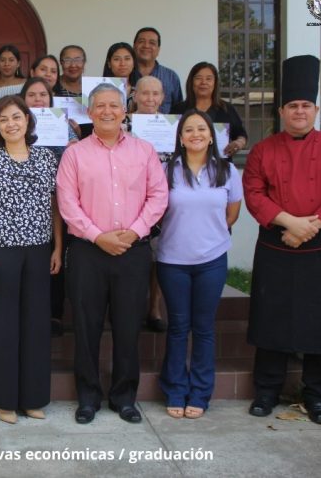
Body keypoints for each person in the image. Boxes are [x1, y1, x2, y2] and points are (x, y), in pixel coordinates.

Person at [243, 55, 321, 425]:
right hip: (277, 244)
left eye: (305, 106)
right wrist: (290, 223)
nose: (299, 111)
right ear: (281, 110)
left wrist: (311, 226)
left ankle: (318, 396)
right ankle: (266, 391)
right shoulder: (263, 150)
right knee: (271, 320)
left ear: (315, 109)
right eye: (292, 106)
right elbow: (254, 192)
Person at [56, 83, 168, 425]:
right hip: (88, 252)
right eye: (100, 106)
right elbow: (67, 202)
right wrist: (97, 236)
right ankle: (87, 398)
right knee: (87, 328)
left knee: (127, 327)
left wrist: (133, 233)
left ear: (124, 112)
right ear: (89, 113)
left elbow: (158, 196)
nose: (107, 111)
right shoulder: (74, 154)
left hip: (132, 252)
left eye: (113, 106)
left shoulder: (144, 151)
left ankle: (124, 397)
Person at [0, 96, 61, 424]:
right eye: (3, 119)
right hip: (0, 250)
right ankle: (3, 399)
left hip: (39, 250)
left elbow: (55, 207)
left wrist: (58, 248)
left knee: (35, 325)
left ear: (28, 121)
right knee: (1, 325)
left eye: (17, 117)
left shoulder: (47, 158)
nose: (11, 124)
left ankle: (33, 398)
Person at [156, 110, 242, 420]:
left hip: (212, 260)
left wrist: (210, 235)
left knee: (204, 328)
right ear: (180, 137)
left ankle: (201, 392)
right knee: (178, 327)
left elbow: (232, 214)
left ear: (211, 135)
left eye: (201, 128)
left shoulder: (228, 171)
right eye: (189, 129)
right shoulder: (166, 170)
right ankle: (175, 389)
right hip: (173, 261)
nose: (195, 134)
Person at [19, 77, 79, 336]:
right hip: (23, 205)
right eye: (32, 95)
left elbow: (79, 163)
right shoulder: (14, 124)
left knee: (56, 255)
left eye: (43, 95)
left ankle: (54, 313)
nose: (38, 100)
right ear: (23, 100)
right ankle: (26, 313)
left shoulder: (64, 126)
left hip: (57, 201)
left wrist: (74, 145)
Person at [129, 76, 168, 333]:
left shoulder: (172, 126)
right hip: (129, 200)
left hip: (161, 200)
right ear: (135, 95)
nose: (150, 99)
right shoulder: (122, 124)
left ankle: (154, 306)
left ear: (163, 97)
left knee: (157, 255)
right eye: (145, 93)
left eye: (156, 94)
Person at [170, 62, 247, 158]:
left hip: (220, 167)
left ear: (215, 83)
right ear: (191, 82)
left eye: (209, 79)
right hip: (184, 166)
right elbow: (169, 138)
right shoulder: (178, 109)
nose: (203, 82)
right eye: (198, 78)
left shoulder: (226, 109)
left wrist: (238, 144)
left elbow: (241, 134)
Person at [131, 27, 182, 113]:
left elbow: (178, 111)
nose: (146, 46)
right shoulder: (125, 74)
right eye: (141, 41)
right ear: (134, 46)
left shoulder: (171, 77)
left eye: (152, 43)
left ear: (158, 49)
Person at [102, 42, 138, 110]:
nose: (122, 63)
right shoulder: (98, 89)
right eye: (116, 59)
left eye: (127, 59)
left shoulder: (140, 90)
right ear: (109, 63)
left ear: (134, 63)